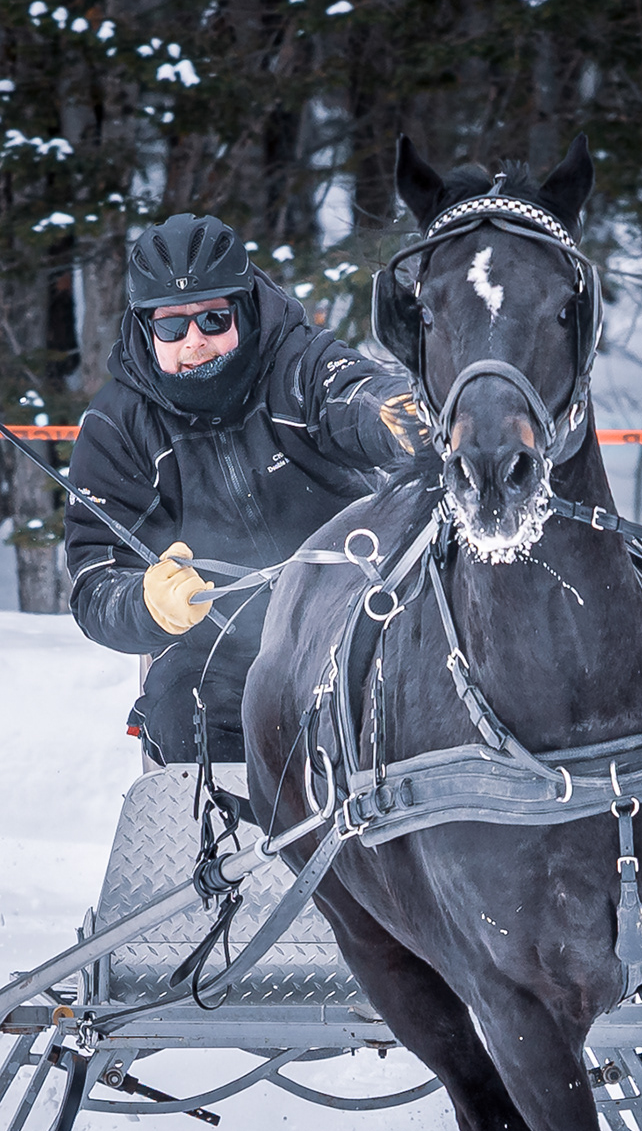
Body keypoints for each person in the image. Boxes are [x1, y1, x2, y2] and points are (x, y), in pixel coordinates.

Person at [65, 213, 423, 765]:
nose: (195, 342)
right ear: (144, 327)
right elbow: (94, 581)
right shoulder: (117, 426)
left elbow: (351, 391)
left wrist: (391, 411)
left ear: (245, 307)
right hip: (216, 650)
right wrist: (146, 602)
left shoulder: (298, 362)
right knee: (180, 715)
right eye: (172, 327)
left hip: (355, 618)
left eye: (213, 319)